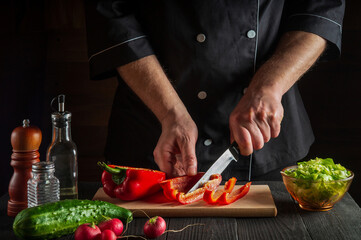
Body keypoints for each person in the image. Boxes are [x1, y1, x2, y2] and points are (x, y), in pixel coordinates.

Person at [85, 0, 345, 180]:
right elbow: (111, 14)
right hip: (152, 137)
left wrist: (269, 85)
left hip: (266, 145)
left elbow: (320, 10)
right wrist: (169, 113)